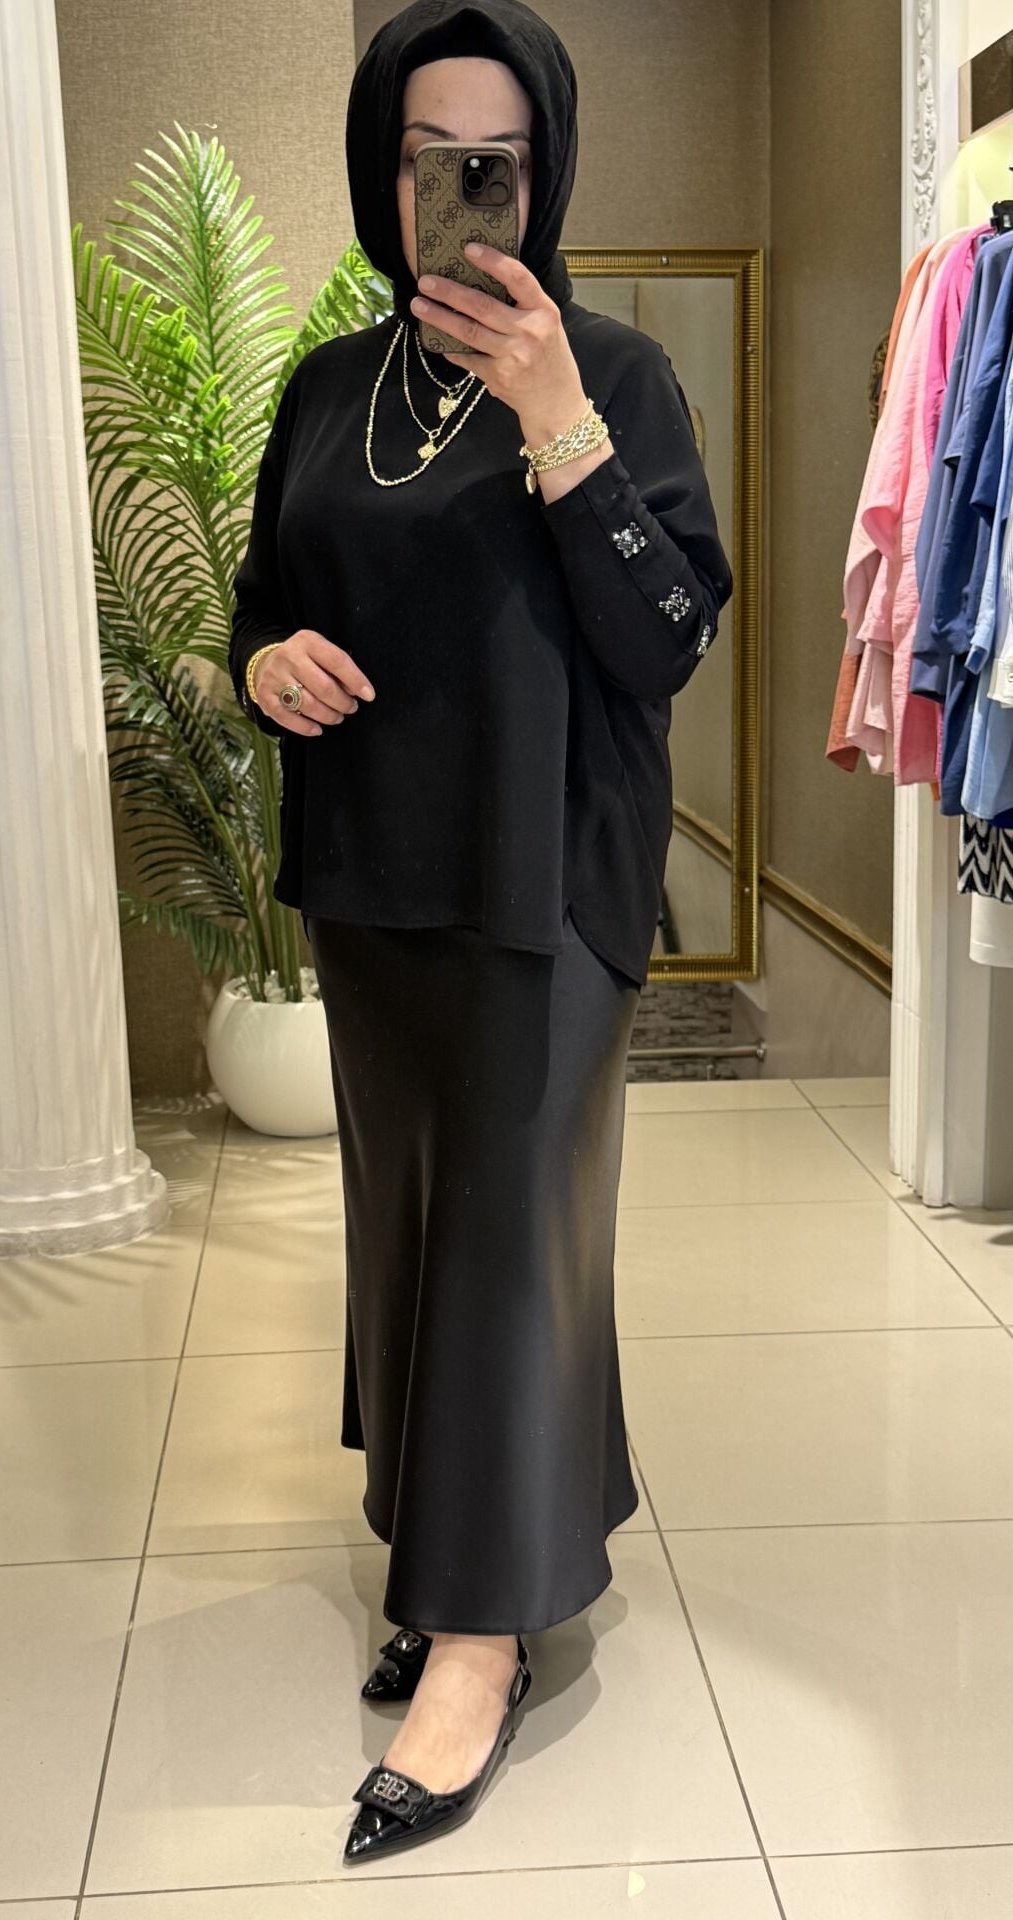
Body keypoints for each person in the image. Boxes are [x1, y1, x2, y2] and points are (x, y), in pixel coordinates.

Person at [227, 0, 732, 1867]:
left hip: (551, 885)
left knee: (515, 1242)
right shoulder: (322, 391)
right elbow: (264, 598)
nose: (457, 186)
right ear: (385, 173)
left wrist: (556, 424)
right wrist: (263, 664)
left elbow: (667, 641)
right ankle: (461, 1555)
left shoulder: (621, 376)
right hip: (375, 881)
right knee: (419, 1236)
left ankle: (481, 1639)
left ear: (546, 171)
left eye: (493, 159)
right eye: (426, 154)